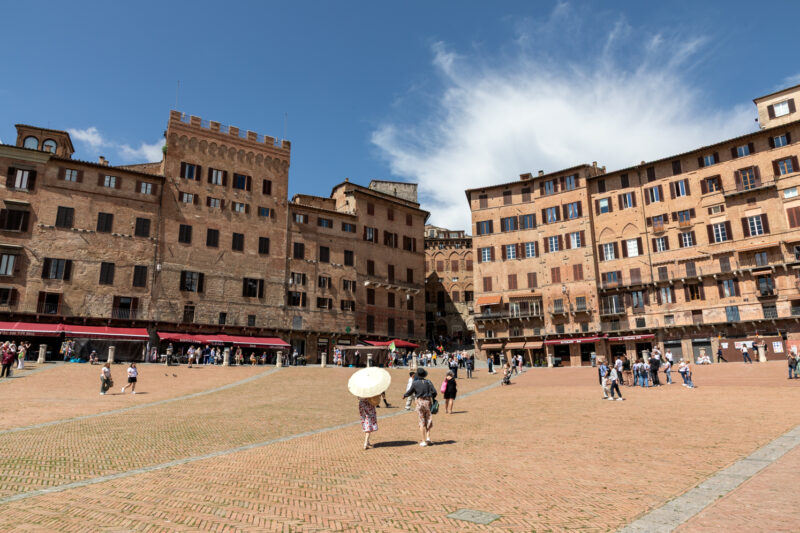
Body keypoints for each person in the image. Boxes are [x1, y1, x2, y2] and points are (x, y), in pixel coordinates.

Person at [402, 367, 437, 446]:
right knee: (428, 419)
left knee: (421, 421)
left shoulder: (415, 383)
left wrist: (404, 395)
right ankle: (428, 437)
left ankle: (423, 441)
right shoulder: (428, 382)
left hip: (420, 402)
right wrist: (432, 397)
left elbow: (410, 391)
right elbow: (434, 392)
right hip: (428, 402)